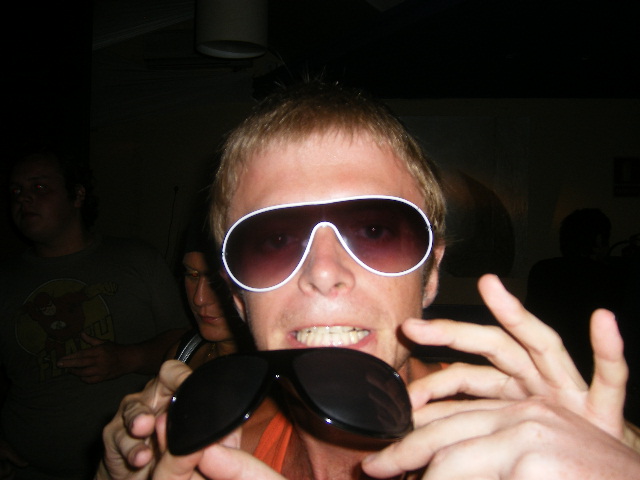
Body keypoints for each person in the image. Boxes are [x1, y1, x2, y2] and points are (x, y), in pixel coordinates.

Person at [97, 82, 640, 480]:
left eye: (376, 230)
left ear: (430, 274)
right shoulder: (211, 455)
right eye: (273, 241)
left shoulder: (525, 448)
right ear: (237, 295)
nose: (324, 273)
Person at [0, 146, 190, 480]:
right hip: (27, 469)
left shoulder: (137, 260)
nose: (24, 198)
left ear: (77, 195)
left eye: (39, 187)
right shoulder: (6, 279)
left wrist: (127, 358)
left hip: (128, 467)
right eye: (16, 191)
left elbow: (187, 345)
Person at [169, 210, 254, 367]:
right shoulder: (183, 353)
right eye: (192, 275)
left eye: (217, 279)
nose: (199, 299)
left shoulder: (276, 377)